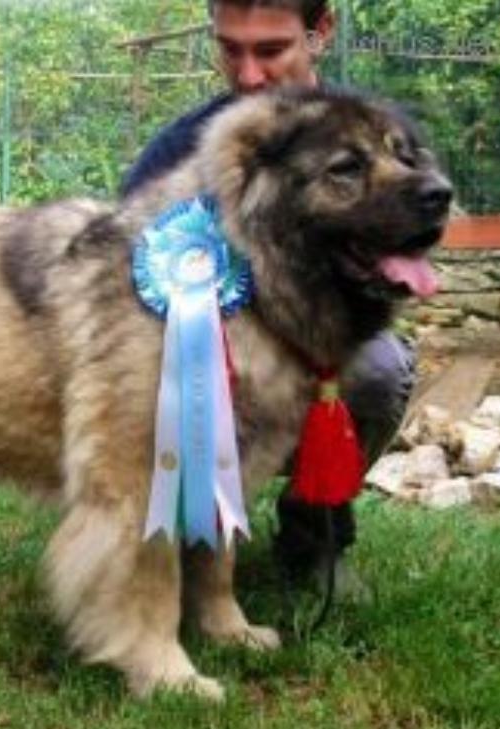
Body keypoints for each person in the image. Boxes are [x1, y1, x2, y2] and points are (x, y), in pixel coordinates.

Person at [122, 0, 415, 596]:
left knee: (380, 372)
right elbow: (123, 274)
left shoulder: (371, 132)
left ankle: (315, 541)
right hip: (202, 372)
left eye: (271, 50)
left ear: (321, 31)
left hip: (316, 356)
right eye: (231, 49)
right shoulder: (180, 148)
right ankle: (168, 540)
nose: (249, 76)